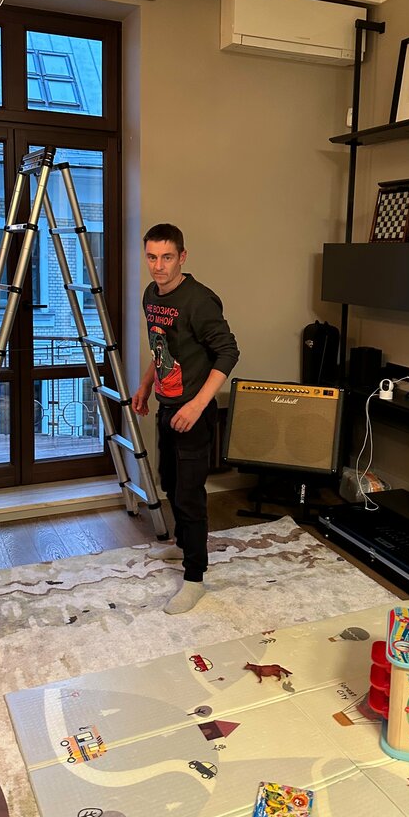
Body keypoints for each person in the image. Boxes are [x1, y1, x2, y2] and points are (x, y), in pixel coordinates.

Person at [132, 223, 240, 614]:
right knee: (170, 482)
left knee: (190, 495)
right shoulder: (151, 295)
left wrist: (196, 406)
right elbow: (161, 347)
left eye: (166, 257)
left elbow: (228, 353)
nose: (158, 266)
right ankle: (183, 546)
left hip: (194, 411)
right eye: (151, 257)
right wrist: (146, 385)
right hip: (167, 404)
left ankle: (195, 578)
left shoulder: (199, 301)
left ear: (182, 257)